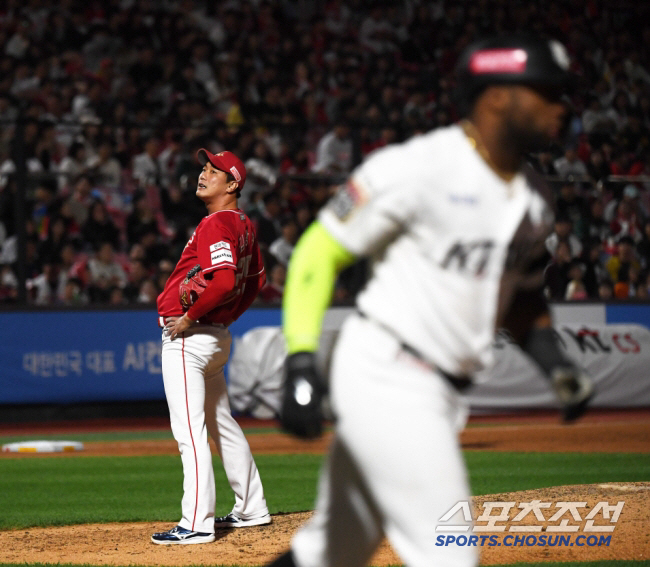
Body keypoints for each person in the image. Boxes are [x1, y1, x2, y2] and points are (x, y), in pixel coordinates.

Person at [268, 36, 594, 567]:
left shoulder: (536, 197)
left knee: (328, 552)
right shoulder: (417, 168)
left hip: (439, 390)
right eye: (547, 91)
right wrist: (301, 358)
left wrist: (556, 365)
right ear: (495, 97)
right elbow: (316, 252)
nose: (562, 105)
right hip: (389, 372)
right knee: (450, 554)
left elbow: (524, 297)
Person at [152, 149, 271, 545]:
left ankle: (196, 524)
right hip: (214, 337)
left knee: (191, 432)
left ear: (233, 184)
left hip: (190, 338)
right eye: (204, 167)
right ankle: (252, 507)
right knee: (222, 423)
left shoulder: (217, 223)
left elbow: (222, 281)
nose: (203, 174)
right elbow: (255, 280)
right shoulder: (244, 224)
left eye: (213, 171)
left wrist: (189, 318)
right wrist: (227, 317)